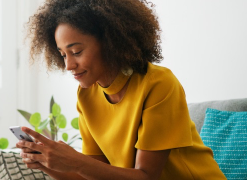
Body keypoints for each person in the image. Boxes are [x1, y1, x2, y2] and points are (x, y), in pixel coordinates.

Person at [15, 0, 227, 179]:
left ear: (110, 42)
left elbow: (146, 175)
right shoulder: (87, 95)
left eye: (76, 51)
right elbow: (97, 173)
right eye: (63, 55)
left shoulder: (158, 83)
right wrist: (47, 163)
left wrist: (74, 160)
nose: (68, 65)